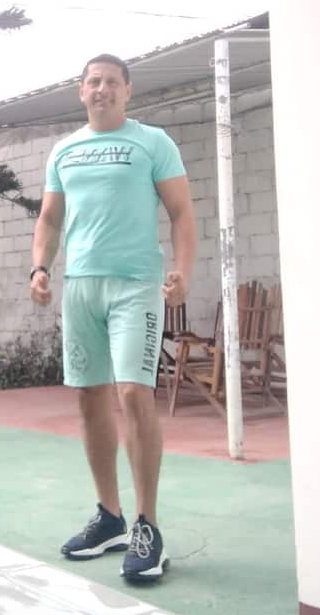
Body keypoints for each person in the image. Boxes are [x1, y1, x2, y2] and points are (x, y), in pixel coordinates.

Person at [30, 53, 196, 583]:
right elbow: (49, 219)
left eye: (111, 82)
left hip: (135, 286)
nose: (101, 89)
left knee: (133, 394)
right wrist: (39, 268)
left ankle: (148, 526)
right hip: (82, 287)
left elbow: (182, 213)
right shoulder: (64, 149)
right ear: (81, 91)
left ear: (128, 90)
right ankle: (110, 517)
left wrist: (183, 270)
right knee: (89, 396)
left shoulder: (152, 142)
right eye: (93, 82)